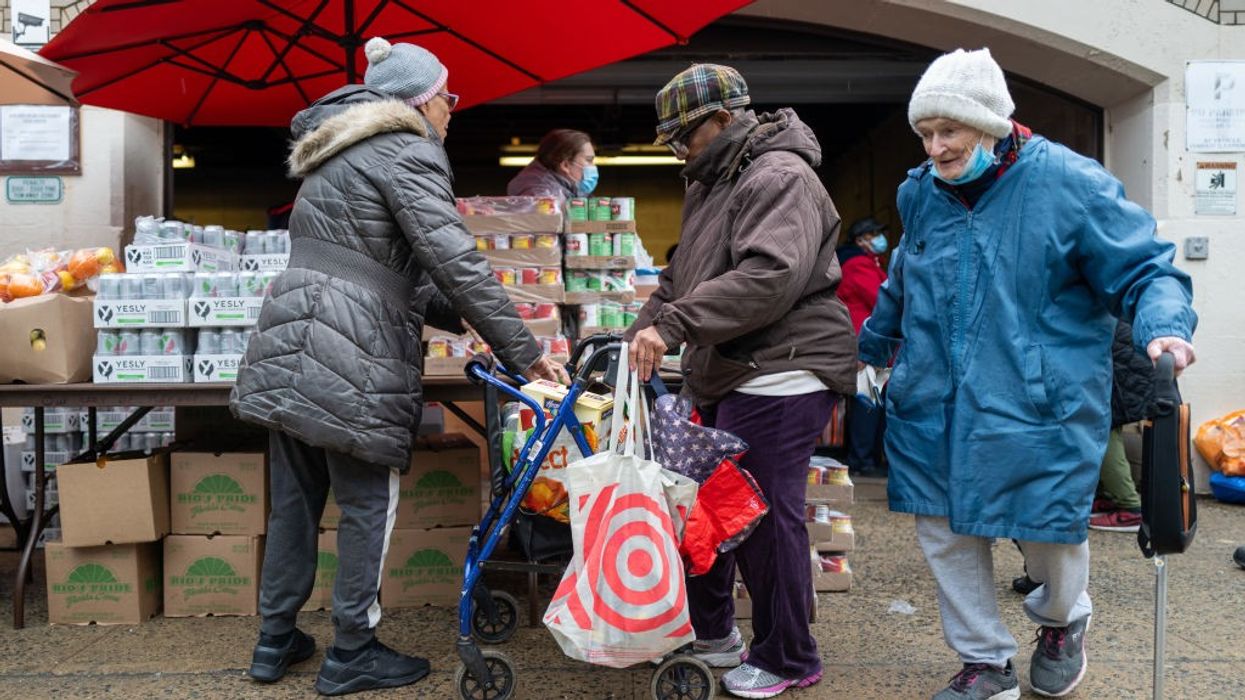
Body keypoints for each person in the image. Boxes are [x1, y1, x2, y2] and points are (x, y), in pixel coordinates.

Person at [230, 37, 567, 696]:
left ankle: (275, 640)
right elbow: (454, 259)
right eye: (446, 94)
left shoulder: (335, 153)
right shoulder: (408, 149)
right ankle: (352, 648)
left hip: (291, 333)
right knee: (365, 501)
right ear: (416, 101)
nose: (452, 106)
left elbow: (379, 263)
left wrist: (459, 318)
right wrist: (524, 354)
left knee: (294, 501)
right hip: (350, 348)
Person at [858, 48, 1197, 700]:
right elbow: (904, 276)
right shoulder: (919, 193)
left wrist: (1164, 326)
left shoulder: (1071, 185)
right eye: (924, 134)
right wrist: (873, 347)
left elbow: (1145, 269)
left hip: (1034, 401)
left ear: (987, 121)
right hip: (933, 397)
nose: (935, 148)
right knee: (945, 532)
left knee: (1046, 529)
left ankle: (1063, 619)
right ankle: (984, 663)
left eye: (947, 131)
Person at [626, 64, 856, 699]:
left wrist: (673, 328)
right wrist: (636, 334)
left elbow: (767, 278)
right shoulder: (711, 183)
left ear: (724, 121)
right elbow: (679, 281)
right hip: (734, 368)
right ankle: (716, 633)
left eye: (684, 137)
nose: (677, 151)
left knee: (758, 512)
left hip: (783, 365)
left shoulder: (779, 176)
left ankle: (788, 656)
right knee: (712, 505)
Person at [1090, 320, 1157, 532]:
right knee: (1102, 431)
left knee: (1103, 432)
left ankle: (1131, 509)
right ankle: (1110, 497)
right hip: (1127, 364)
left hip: (1121, 370)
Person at [837, 216, 890, 477]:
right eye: (873, 234)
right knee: (868, 400)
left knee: (871, 399)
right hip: (866, 342)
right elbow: (882, 298)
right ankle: (862, 460)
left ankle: (867, 458)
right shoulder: (859, 264)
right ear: (860, 241)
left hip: (870, 341)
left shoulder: (865, 263)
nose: (880, 239)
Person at [506, 128, 597, 203]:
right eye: (588, 160)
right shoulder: (542, 196)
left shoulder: (566, 189)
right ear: (565, 165)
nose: (593, 166)